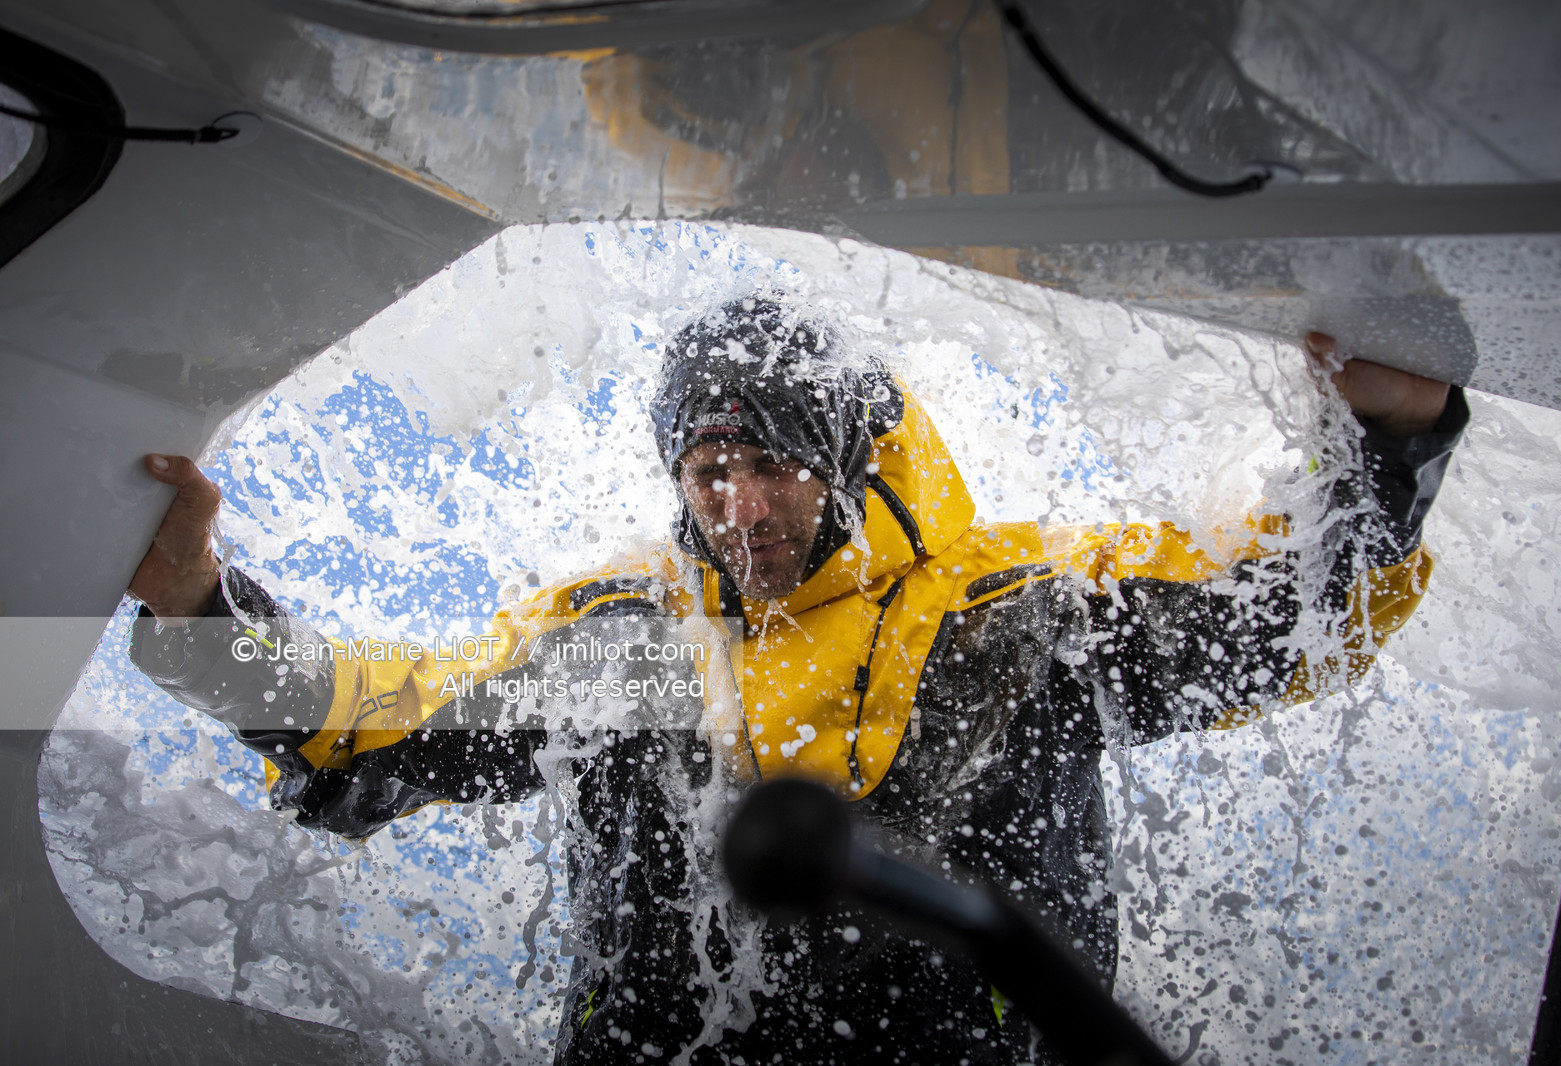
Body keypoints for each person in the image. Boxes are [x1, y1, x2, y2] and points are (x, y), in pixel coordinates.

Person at [128, 298, 1466, 1064]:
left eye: (774, 463)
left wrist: (1393, 431)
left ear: (855, 459)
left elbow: (1288, 618)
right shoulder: (623, 633)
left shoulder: (1019, 608)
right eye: (708, 472)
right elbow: (374, 732)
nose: (740, 505)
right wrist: (202, 606)